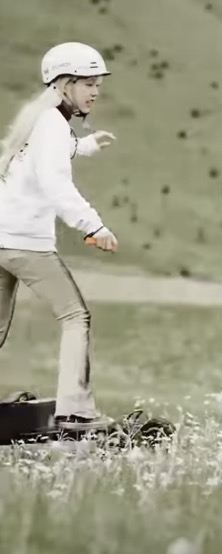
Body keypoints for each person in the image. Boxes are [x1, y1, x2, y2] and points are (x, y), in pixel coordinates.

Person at [0, 42, 120, 430]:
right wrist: (94, 226)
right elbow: (55, 184)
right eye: (87, 83)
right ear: (65, 84)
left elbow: (56, 151)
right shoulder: (51, 123)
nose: (95, 91)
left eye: (97, 83)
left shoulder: (40, 119)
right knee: (75, 316)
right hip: (24, 242)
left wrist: (87, 144)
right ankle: (75, 411)